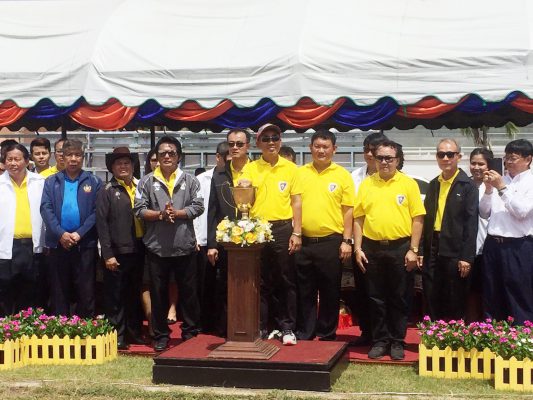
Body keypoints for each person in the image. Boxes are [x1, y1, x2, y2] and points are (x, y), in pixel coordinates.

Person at [353, 140, 425, 360]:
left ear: (398, 160)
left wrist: (413, 249)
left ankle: (397, 341)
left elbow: (418, 218)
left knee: (399, 296)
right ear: (374, 159)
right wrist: (358, 247)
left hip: (400, 248)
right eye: (380, 158)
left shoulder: (408, 184)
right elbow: (359, 218)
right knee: (375, 297)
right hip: (372, 248)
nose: (384, 162)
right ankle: (380, 340)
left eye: (389, 158)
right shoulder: (366, 184)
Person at [134, 136, 204, 351]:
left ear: (178, 156)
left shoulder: (191, 180)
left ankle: (190, 333)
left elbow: (199, 206)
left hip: (185, 245)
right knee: (158, 293)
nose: (166, 156)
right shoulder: (146, 181)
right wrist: (160, 215)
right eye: (162, 153)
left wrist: (178, 213)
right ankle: (161, 335)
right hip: (157, 247)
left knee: (189, 292)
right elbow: (139, 209)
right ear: (156, 157)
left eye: (171, 153)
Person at [239, 124, 302, 345]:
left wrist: (297, 232)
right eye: (265, 139)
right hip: (257, 228)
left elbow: (296, 202)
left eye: (275, 137)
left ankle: (287, 327)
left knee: (286, 278)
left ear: (280, 141)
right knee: (260, 279)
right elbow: (243, 197)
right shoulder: (250, 168)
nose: (271, 142)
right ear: (258, 144)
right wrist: (244, 186)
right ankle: (261, 326)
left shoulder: (291, 168)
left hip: (283, 228)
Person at [294, 129, 355, 342]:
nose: (321, 151)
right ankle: (306, 331)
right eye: (317, 146)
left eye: (326, 147)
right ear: (310, 148)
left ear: (334, 149)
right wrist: (296, 233)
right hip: (304, 241)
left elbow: (348, 210)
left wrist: (347, 240)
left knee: (330, 289)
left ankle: (327, 332)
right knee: (305, 289)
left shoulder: (343, 175)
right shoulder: (300, 173)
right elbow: (294, 204)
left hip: (331, 241)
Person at [40, 139, 102, 317]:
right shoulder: (51, 181)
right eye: (69, 155)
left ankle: (86, 327)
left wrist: (79, 234)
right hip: (58, 243)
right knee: (59, 289)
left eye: (77, 155)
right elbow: (45, 209)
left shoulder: (94, 181)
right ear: (62, 157)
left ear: (83, 157)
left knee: (86, 290)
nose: (73, 159)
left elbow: (97, 211)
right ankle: (60, 326)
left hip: (85, 244)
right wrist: (61, 234)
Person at [421, 139, 478, 321]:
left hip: (455, 248)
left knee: (455, 294)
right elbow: (425, 219)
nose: (445, 158)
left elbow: (471, 223)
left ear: (458, 157)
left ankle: (454, 333)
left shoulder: (467, 186)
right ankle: (433, 331)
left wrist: (466, 257)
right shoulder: (433, 184)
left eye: (450, 154)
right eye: (441, 154)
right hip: (433, 245)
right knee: (431, 291)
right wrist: (421, 250)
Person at [96, 147, 146, 350]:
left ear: (133, 166)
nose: (123, 167)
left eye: (127, 163)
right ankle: (117, 335)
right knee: (115, 296)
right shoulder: (107, 190)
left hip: (139, 248)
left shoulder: (141, 186)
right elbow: (102, 224)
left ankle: (134, 333)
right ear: (112, 168)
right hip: (117, 252)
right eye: (119, 164)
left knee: (133, 294)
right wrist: (108, 254)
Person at [480, 139, 533, 324]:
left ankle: (522, 336)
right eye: (506, 158)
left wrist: (502, 188)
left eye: (513, 158)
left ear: (528, 159)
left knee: (519, 294)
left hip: (518, 246)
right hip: (493, 244)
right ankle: (493, 335)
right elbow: (484, 212)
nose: (508, 162)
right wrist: (488, 190)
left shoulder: (530, 182)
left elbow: (521, 212)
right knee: (492, 293)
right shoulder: (498, 180)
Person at [206, 128, 251, 337]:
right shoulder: (219, 174)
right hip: (227, 241)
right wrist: (212, 244)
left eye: (239, 144)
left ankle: (257, 326)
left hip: (255, 239)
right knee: (226, 284)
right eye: (231, 144)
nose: (235, 148)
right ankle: (228, 328)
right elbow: (212, 210)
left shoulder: (256, 170)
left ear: (248, 146)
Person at [349, 131, 387, 347]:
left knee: (384, 291)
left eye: (374, 151)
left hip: (385, 240)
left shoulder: (396, 177)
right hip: (360, 241)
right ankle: (367, 331)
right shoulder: (354, 176)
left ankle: (386, 335)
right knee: (364, 289)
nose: (370, 155)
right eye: (366, 150)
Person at [0, 143, 45, 316]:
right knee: (6, 292)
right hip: (6, 247)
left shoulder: (40, 182)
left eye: (17, 159)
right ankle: (6, 328)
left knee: (31, 291)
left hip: (32, 247)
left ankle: (27, 327)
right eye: (9, 159)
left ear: (26, 161)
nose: (13, 163)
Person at [194, 141, 230, 333]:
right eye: (227, 159)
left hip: (228, 240)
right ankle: (205, 324)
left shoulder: (236, 178)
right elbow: (198, 210)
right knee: (205, 283)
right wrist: (197, 238)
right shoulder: (202, 179)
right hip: (204, 239)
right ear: (218, 157)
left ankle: (223, 324)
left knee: (224, 284)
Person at [466, 148, 493, 322]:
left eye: (481, 164)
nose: (476, 167)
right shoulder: (464, 185)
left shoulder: (494, 187)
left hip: (487, 248)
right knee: (470, 292)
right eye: (473, 163)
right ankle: (472, 327)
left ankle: (488, 327)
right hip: (466, 251)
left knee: (487, 291)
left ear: (488, 165)